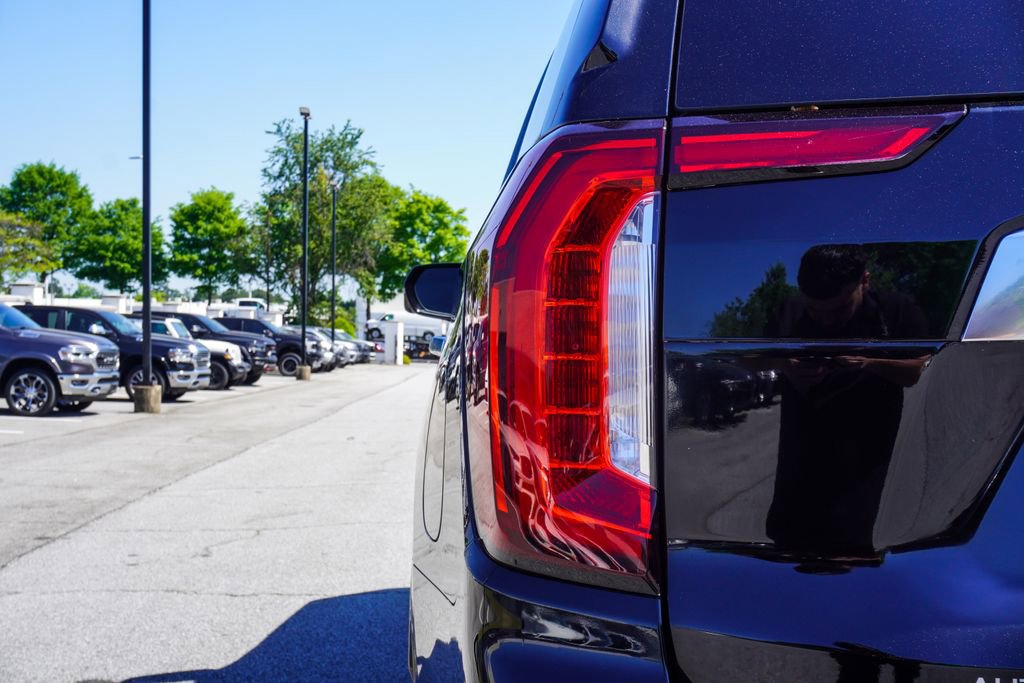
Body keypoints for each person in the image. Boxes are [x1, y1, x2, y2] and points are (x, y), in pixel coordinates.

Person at [765, 245, 930, 557]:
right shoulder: (787, 311)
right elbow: (750, 362)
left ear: (864, 282)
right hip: (800, 455)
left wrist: (869, 363)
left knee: (862, 547)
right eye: (815, 311)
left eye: (839, 310)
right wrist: (786, 366)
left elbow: (920, 370)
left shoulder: (897, 310)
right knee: (793, 547)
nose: (826, 321)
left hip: (871, 456)